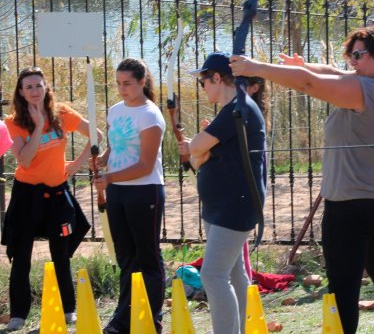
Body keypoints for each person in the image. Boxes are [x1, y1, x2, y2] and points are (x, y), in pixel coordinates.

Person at [230, 25, 374, 334]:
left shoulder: (365, 91)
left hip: (352, 208)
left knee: (343, 288)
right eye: (350, 55)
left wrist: (254, 67)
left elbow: (310, 84)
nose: (352, 62)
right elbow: (326, 72)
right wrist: (300, 66)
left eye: (358, 55)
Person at [1, 67, 98, 331]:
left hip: (57, 193)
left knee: (61, 253)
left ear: (46, 88)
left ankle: (67, 310)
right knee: (21, 255)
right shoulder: (14, 122)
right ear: (20, 92)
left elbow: (96, 136)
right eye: (28, 87)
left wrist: (77, 164)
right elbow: (25, 159)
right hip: (27, 195)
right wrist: (37, 127)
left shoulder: (62, 113)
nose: (34, 91)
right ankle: (19, 314)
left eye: (38, 85)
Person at [177, 52, 266, 334]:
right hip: (222, 205)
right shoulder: (232, 110)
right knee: (234, 273)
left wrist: (199, 150)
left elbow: (197, 148)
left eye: (203, 81)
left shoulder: (237, 110)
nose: (202, 88)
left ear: (217, 78)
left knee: (213, 275)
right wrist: (200, 151)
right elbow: (197, 154)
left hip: (234, 205)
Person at [94, 58, 166, 334]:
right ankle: (124, 318)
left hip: (144, 190)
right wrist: (103, 159)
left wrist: (109, 177)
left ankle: (152, 317)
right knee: (126, 257)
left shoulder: (150, 115)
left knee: (147, 256)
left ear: (141, 82)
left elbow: (145, 165)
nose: (122, 89)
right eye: (118, 83)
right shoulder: (115, 111)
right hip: (118, 192)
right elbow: (116, 144)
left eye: (127, 83)